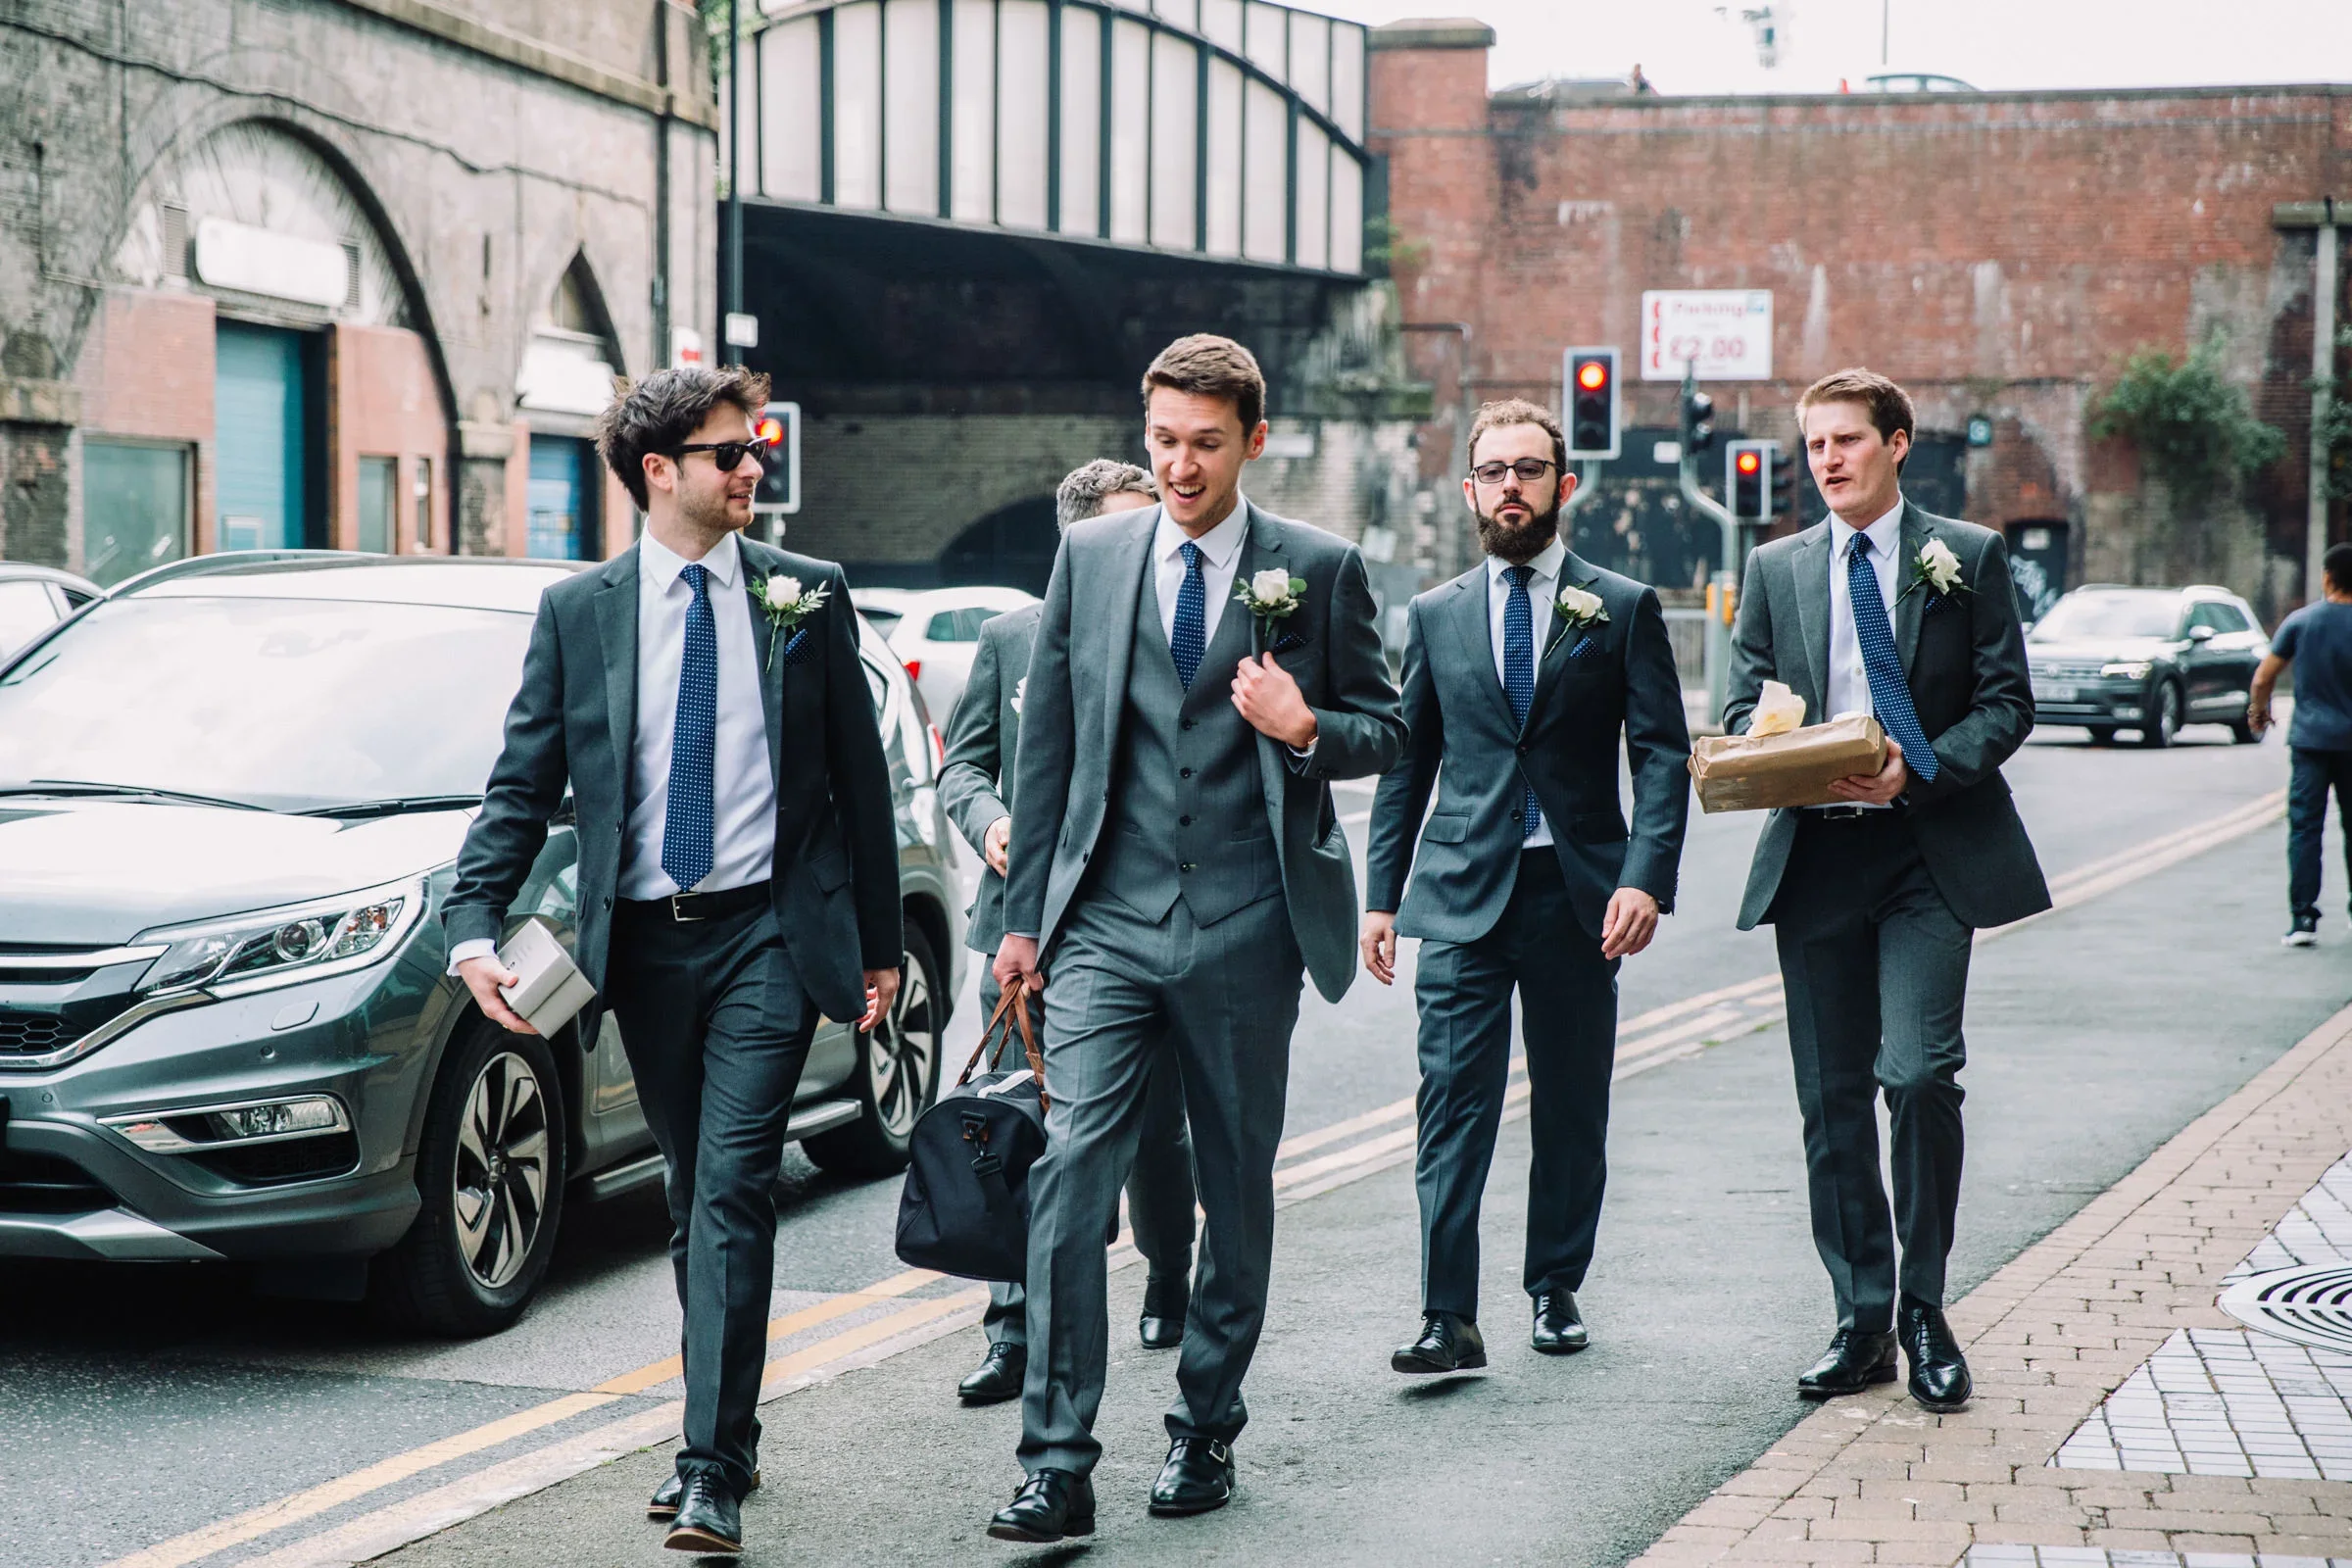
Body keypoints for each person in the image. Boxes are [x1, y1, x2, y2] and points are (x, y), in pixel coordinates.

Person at [443, 366, 903, 1555]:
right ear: (658, 471)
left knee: (737, 1188)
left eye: (753, 450)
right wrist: (471, 924)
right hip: (643, 950)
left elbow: (862, 780)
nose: (753, 468)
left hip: (767, 930)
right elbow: (520, 786)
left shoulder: (808, 595)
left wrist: (882, 949)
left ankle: (709, 1469)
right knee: (693, 1196)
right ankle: (726, 1432)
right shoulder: (581, 614)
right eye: (727, 454)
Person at [984, 335, 1404, 1544]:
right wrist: (1024, 932)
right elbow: (1051, 748)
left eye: (1204, 444)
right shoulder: (1093, 552)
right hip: (1107, 924)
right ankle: (1056, 1460)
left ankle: (1204, 1426)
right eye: (1163, 438)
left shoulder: (1317, 569)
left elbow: (1386, 728)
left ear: (1251, 442)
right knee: (1068, 1180)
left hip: (1246, 925)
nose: (1178, 464)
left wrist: (1305, 721)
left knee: (1233, 1185)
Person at [1724, 368, 2049, 1417]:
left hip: (1926, 854)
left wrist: (1925, 764)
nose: (1825, 460)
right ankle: (1861, 1319)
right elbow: (1743, 700)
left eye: (1846, 441)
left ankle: (1923, 1306)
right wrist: (1769, 741)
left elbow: (2007, 701)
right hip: (1817, 857)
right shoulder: (1774, 568)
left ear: (1897, 444)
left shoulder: (1968, 555)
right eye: (1812, 444)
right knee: (1830, 1105)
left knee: (1916, 1077)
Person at [1361, 398, 1690, 1375]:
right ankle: (1445, 1314)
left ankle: (1554, 1287)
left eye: (1530, 470)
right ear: (1470, 489)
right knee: (1452, 1103)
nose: (1512, 486)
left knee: (1571, 1101)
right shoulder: (1433, 613)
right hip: (1460, 896)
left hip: (1579, 894)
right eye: (1494, 471)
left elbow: (1662, 754)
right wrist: (1382, 898)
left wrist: (1647, 878)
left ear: (1563, 484)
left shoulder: (1621, 606)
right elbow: (1405, 767)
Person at [940, 459, 1199, 1408]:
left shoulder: (1177, 631)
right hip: (1024, 932)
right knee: (1017, 1125)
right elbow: (961, 771)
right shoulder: (1011, 640)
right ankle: (1011, 1327)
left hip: (1141, 923)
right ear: (1080, 541)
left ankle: (1171, 1266)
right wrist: (989, 820)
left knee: (1155, 1135)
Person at [2249, 541, 2352, 947]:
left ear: (2327, 577)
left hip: (2310, 743)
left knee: (2305, 829)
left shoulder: (2301, 622)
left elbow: (2263, 677)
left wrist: (2259, 712)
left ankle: (2303, 919)